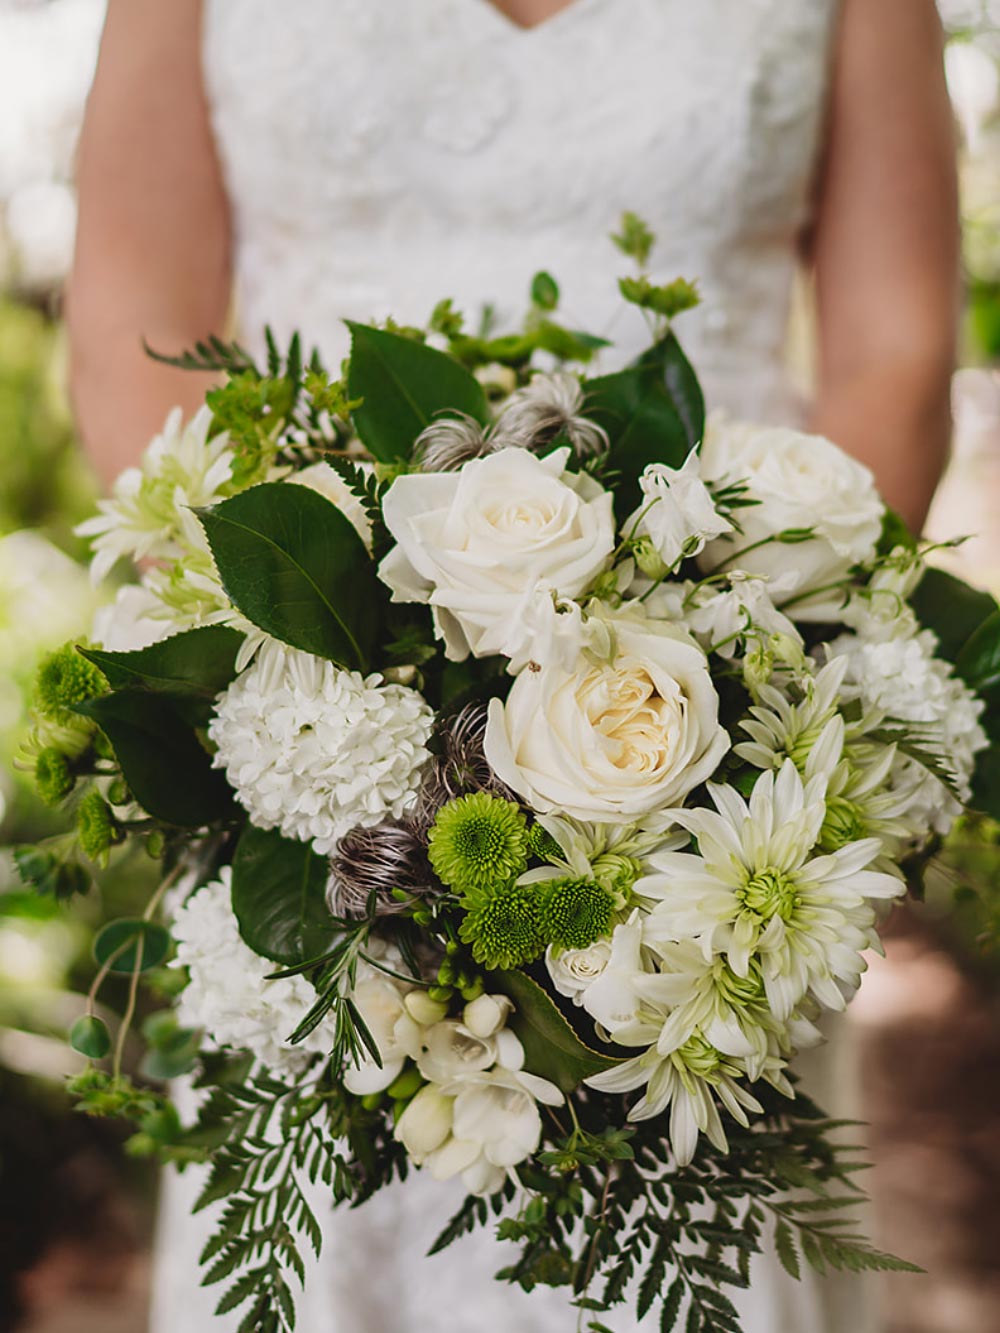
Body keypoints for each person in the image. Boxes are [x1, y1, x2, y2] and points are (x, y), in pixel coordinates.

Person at [66, 1, 959, 1329]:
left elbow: (898, 351)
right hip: (325, 741)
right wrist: (306, 680)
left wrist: (737, 654)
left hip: (709, 740)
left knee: (701, 1145)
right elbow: (135, 332)